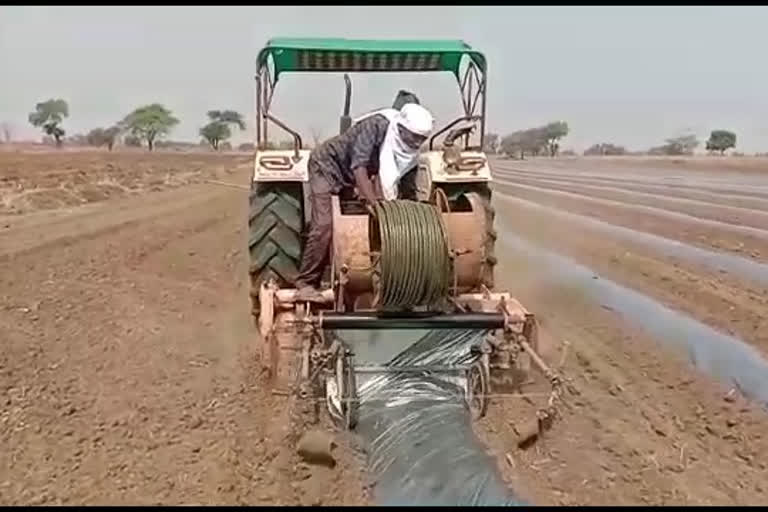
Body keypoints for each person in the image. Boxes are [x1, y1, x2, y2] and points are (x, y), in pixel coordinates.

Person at [294, 103, 435, 301]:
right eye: (414, 137)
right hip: (327, 167)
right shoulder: (375, 127)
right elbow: (359, 167)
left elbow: (408, 189)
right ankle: (306, 283)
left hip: (351, 176)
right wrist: (375, 203)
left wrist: (411, 217)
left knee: (365, 221)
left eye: (422, 139)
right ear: (401, 128)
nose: (417, 143)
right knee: (325, 224)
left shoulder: (409, 153)